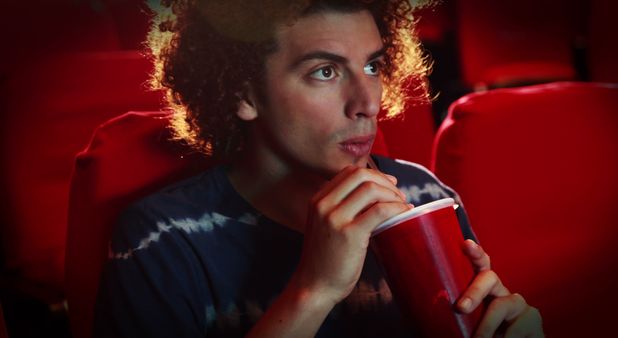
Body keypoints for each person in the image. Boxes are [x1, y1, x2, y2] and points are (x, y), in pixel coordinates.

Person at [93, 0, 544, 337]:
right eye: (325, 72)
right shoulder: (161, 239)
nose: (368, 103)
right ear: (242, 94)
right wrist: (316, 288)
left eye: (372, 66)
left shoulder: (424, 194)